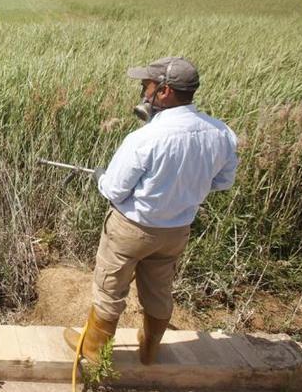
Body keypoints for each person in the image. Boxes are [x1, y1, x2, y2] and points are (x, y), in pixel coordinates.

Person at [63, 56, 238, 365]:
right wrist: (181, 189)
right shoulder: (221, 133)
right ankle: (149, 349)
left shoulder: (145, 138)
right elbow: (222, 182)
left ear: (165, 92)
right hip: (176, 232)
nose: (143, 93)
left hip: (131, 229)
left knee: (110, 286)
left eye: (147, 86)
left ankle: (93, 349)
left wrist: (100, 176)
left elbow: (115, 189)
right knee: (159, 289)